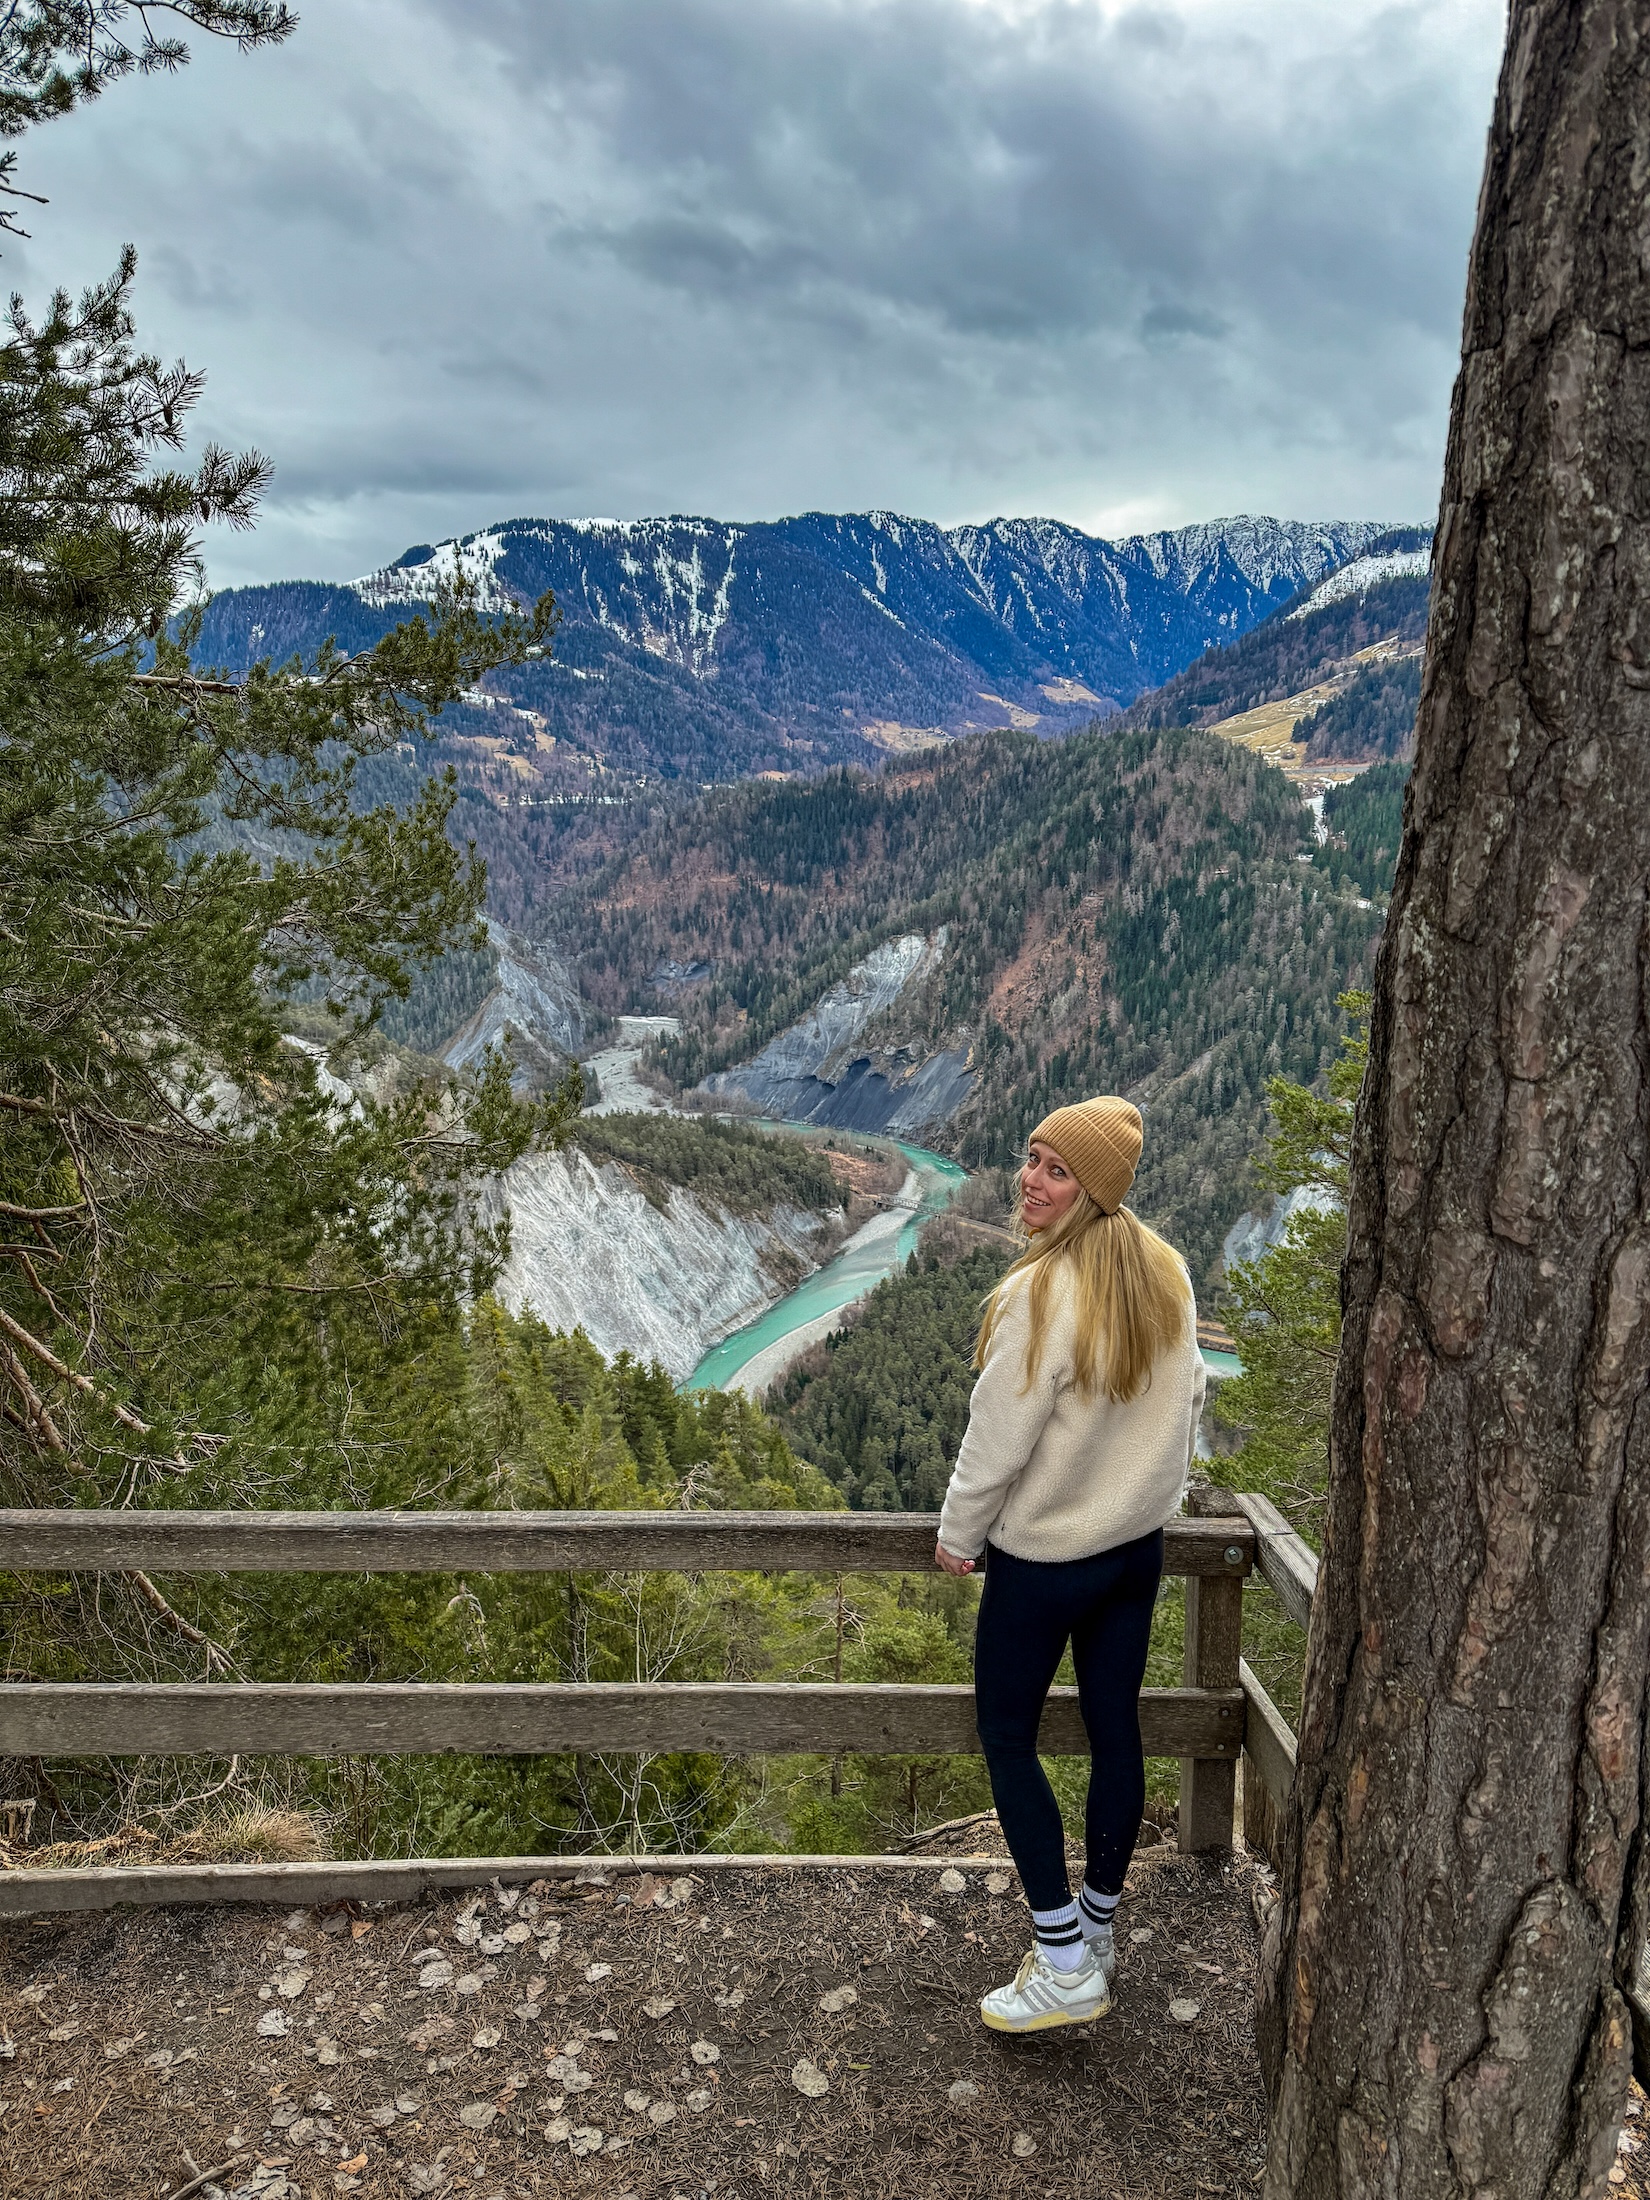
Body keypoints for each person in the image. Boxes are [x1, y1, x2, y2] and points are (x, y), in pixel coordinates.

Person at [934, 1095, 1205, 2033]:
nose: (1032, 1181)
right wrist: (1146, 1504)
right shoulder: (1164, 1273)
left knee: (1008, 1739)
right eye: (1032, 1158)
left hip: (1044, 1561)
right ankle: (1096, 1929)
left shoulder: (1037, 1293)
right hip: (1132, 1555)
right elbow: (1186, 1408)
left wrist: (960, 1533)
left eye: (1057, 1170)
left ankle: (1060, 1960)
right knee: (1114, 1731)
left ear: (1093, 1190)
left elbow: (997, 1438)